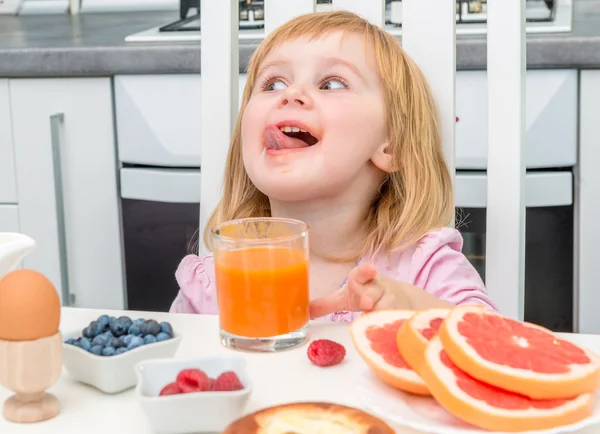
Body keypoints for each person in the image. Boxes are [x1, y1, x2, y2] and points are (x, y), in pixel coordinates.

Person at [170, 10, 497, 321]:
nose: (292, 94)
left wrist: (413, 307)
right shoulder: (211, 283)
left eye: (332, 84)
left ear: (392, 145)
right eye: (273, 84)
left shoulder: (424, 267)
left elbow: (491, 342)